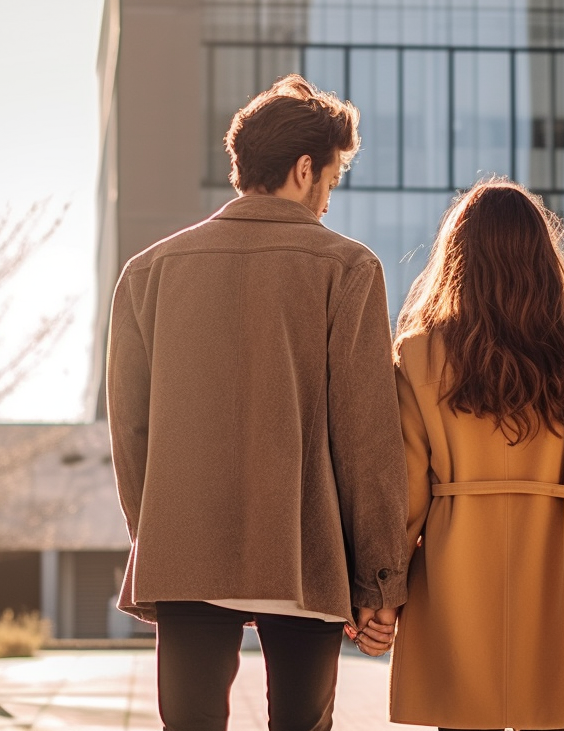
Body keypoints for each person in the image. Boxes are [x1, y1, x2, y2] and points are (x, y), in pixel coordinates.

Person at [105, 74, 408, 731]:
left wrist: (156, 534)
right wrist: (379, 580)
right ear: (304, 170)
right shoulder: (348, 269)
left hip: (184, 551)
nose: (329, 200)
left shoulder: (149, 272)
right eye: (331, 179)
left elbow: (131, 431)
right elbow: (367, 441)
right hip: (305, 553)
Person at [383, 179, 564, 731]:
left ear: (457, 259)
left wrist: (383, 600)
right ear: (545, 258)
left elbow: (405, 498)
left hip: (452, 586)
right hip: (560, 585)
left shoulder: (419, 353)